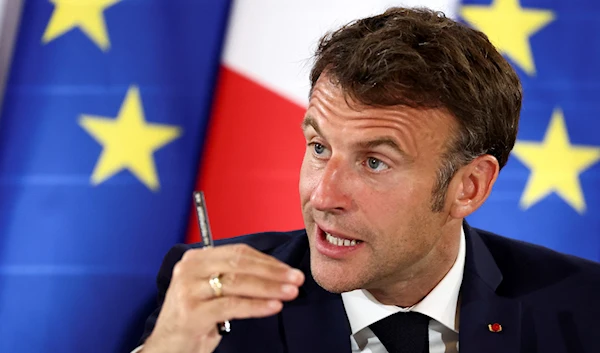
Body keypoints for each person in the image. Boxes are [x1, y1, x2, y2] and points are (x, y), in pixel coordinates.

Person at [134, 6, 600, 353]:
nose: (322, 196)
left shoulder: (583, 306)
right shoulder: (218, 305)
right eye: (319, 148)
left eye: (374, 162)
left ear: (469, 186)